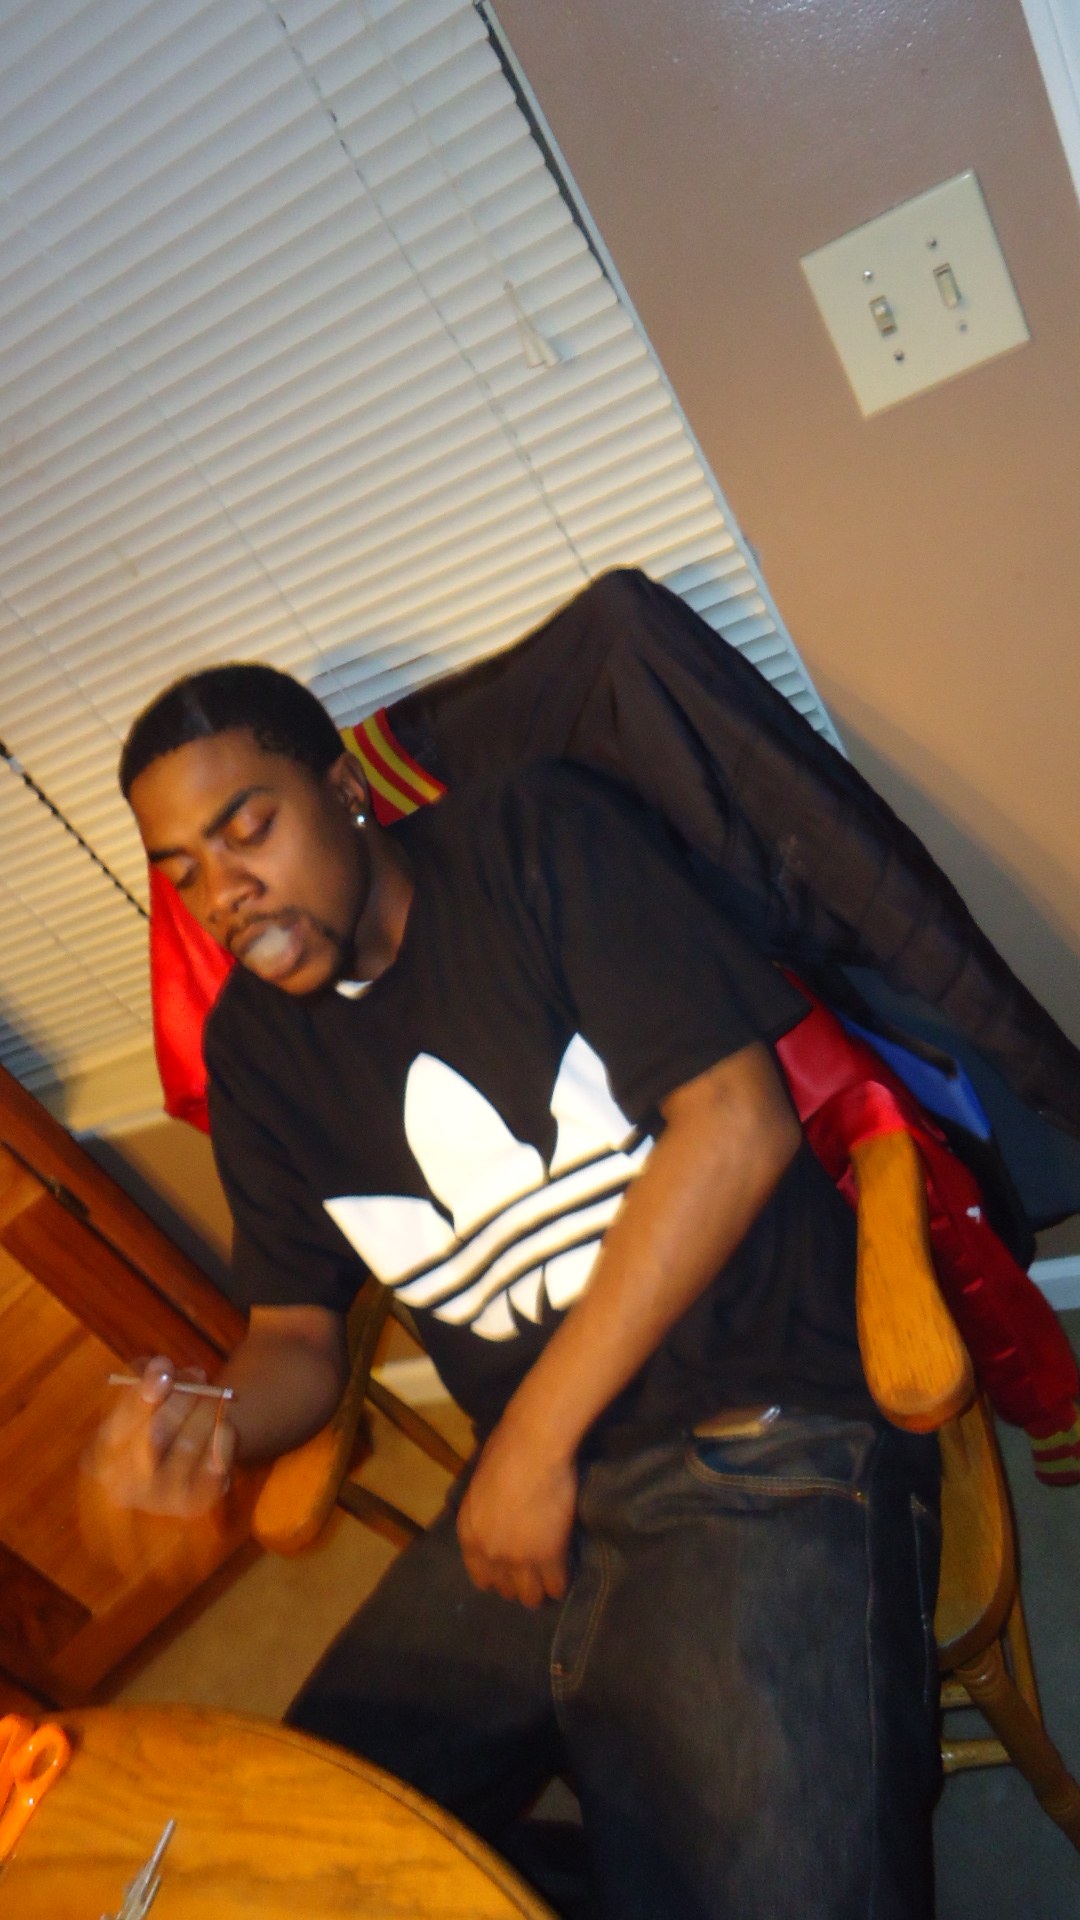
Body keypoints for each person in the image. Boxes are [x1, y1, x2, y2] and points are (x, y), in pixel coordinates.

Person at [112, 661, 941, 1920]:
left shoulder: (536, 837)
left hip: (759, 1431)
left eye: (249, 828)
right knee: (282, 1862)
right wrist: (213, 1419)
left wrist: (532, 1446)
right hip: (528, 1505)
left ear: (343, 791)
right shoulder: (254, 1052)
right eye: (184, 872)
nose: (224, 893)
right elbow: (293, 1334)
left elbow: (737, 1126)